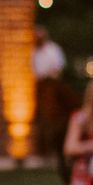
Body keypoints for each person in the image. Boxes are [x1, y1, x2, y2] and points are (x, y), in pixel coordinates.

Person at [32, 25, 67, 157]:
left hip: (51, 85)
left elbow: (59, 67)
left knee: (51, 118)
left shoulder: (53, 50)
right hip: (36, 86)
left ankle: (51, 149)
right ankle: (41, 149)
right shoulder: (32, 51)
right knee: (39, 119)